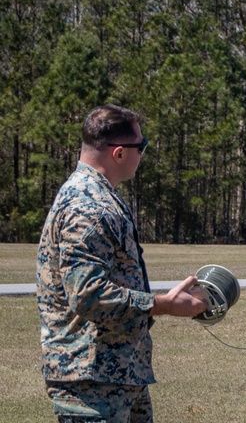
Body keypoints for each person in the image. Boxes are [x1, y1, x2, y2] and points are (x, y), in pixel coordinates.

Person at [36, 104, 209, 422]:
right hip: (92, 381)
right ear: (119, 153)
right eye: (141, 146)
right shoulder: (89, 206)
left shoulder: (98, 196)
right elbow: (88, 295)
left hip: (116, 372)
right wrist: (164, 304)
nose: (142, 154)